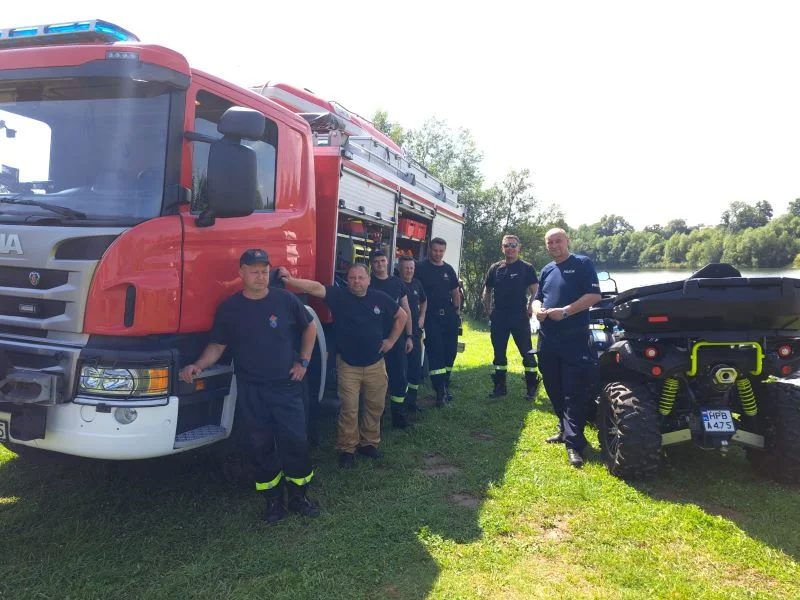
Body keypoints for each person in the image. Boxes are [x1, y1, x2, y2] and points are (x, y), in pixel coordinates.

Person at [179, 249, 319, 524]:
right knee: (260, 445)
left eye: (265, 271)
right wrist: (199, 365)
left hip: (286, 387)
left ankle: (299, 498)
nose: (261, 276)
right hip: (252, 389)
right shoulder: (231, 309)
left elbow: (310, 327)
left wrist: (303, 361)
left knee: (295, 441)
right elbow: (217, 346)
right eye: (254, 271)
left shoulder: (285, 300)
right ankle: (273, 503)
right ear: (241, 273)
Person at [278, 263, 407, 468]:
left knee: (375, 407)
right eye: (352, 278)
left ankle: (369, 444)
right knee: (349, 409)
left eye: (360, 278)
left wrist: (391, 341)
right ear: (348, 280)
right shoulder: (338, 296)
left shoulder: (380, 298)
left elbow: (402, 315)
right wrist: (290, 280)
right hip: (348, 365)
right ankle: (347, 449)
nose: (356, 282)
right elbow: (313, 287)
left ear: (368, 280)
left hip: (375, 365)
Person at [533, 229, 602, 468]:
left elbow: (594, 295)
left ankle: (574, 445)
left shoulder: (582, 264)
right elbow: (537, 297)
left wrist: (565, 311)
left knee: (573, 389)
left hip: (573, 338)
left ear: (567, 241)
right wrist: (537, 310)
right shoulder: (546, 270)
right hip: (547, 338)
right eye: (549, 242)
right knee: (553, 385)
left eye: (558, 241)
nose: (554, 245)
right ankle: (564, 429)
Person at [482, 234, 541, 399]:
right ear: (502, 248)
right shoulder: (495, 268)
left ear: (519, 248)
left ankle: (531, 387)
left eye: (513, 245)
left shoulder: (526, 268)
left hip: (519, 317)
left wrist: (530, 307)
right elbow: (487, 290)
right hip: (499, 317)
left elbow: (536, 291)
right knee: (499, 353)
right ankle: (500, 387)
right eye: (507, 245)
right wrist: (488, 309)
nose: (510, 248)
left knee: (527, 353)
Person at [369, 250, 414, 429]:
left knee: (399, 378)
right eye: (376, 262)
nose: (380, 264)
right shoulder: (367, 283)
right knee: (376, 382)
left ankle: (399, 416)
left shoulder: (397, 283)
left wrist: (409, 336)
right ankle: (377, 418)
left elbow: (407, 310)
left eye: (382, 261)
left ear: (387, 262)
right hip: (375, 340)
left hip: (396, 339)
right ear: (371, 264)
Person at [415, 237, 461, 407]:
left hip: (449, 316)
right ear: (429, 249)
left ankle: (446, 385)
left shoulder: (448, 269)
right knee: (436, 354)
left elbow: (455, 292)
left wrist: (456, 312)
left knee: (450, 352)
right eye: (435, 250)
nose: (438, 254)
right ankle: (439, 391)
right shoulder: (420, 268)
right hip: (431, 317)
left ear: (444, 251)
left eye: (441, 251)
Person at [398, 255, 427, 415]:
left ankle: (412, 403)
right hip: (400, 334)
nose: (409, 270)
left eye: (411, 268)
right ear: (399, 269)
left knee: (415, 368)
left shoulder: (417, 284)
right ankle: (399, 404)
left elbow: (424, 301)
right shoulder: (396, 284)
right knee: (402, 369)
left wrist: (422, 317)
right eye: (406, 268)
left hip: (415, 332)